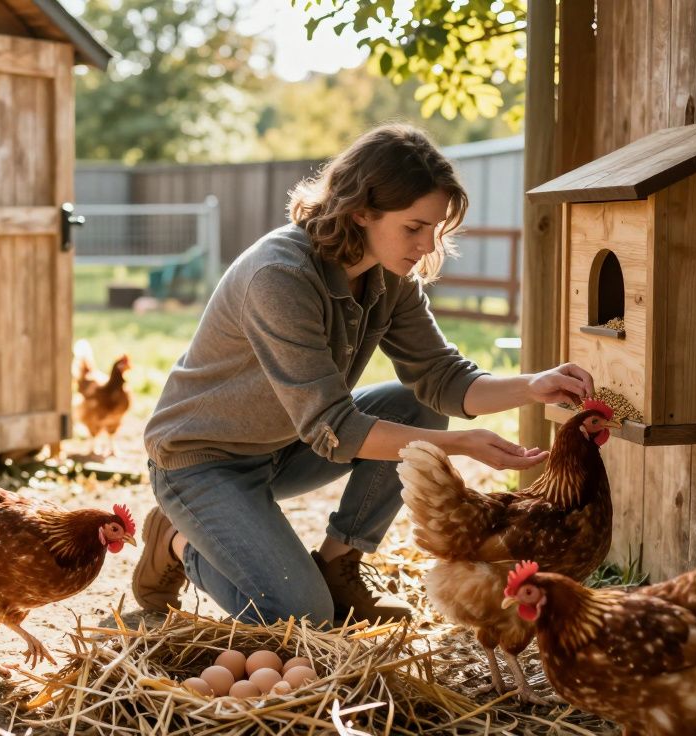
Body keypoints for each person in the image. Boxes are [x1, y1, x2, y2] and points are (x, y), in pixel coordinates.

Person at [131, 124, 594, 626]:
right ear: (360, 211)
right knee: (300, 617)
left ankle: (338, 563)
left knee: (416, 404)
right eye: (413, 227)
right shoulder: (280, 276)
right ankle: (176, 541)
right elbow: (337, 429)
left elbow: (443, 379)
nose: (425, 245)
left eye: (434, 229)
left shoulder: (390, 276)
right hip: (202, 462)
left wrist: (532, 385)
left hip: (284, 446)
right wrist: (460, 446)